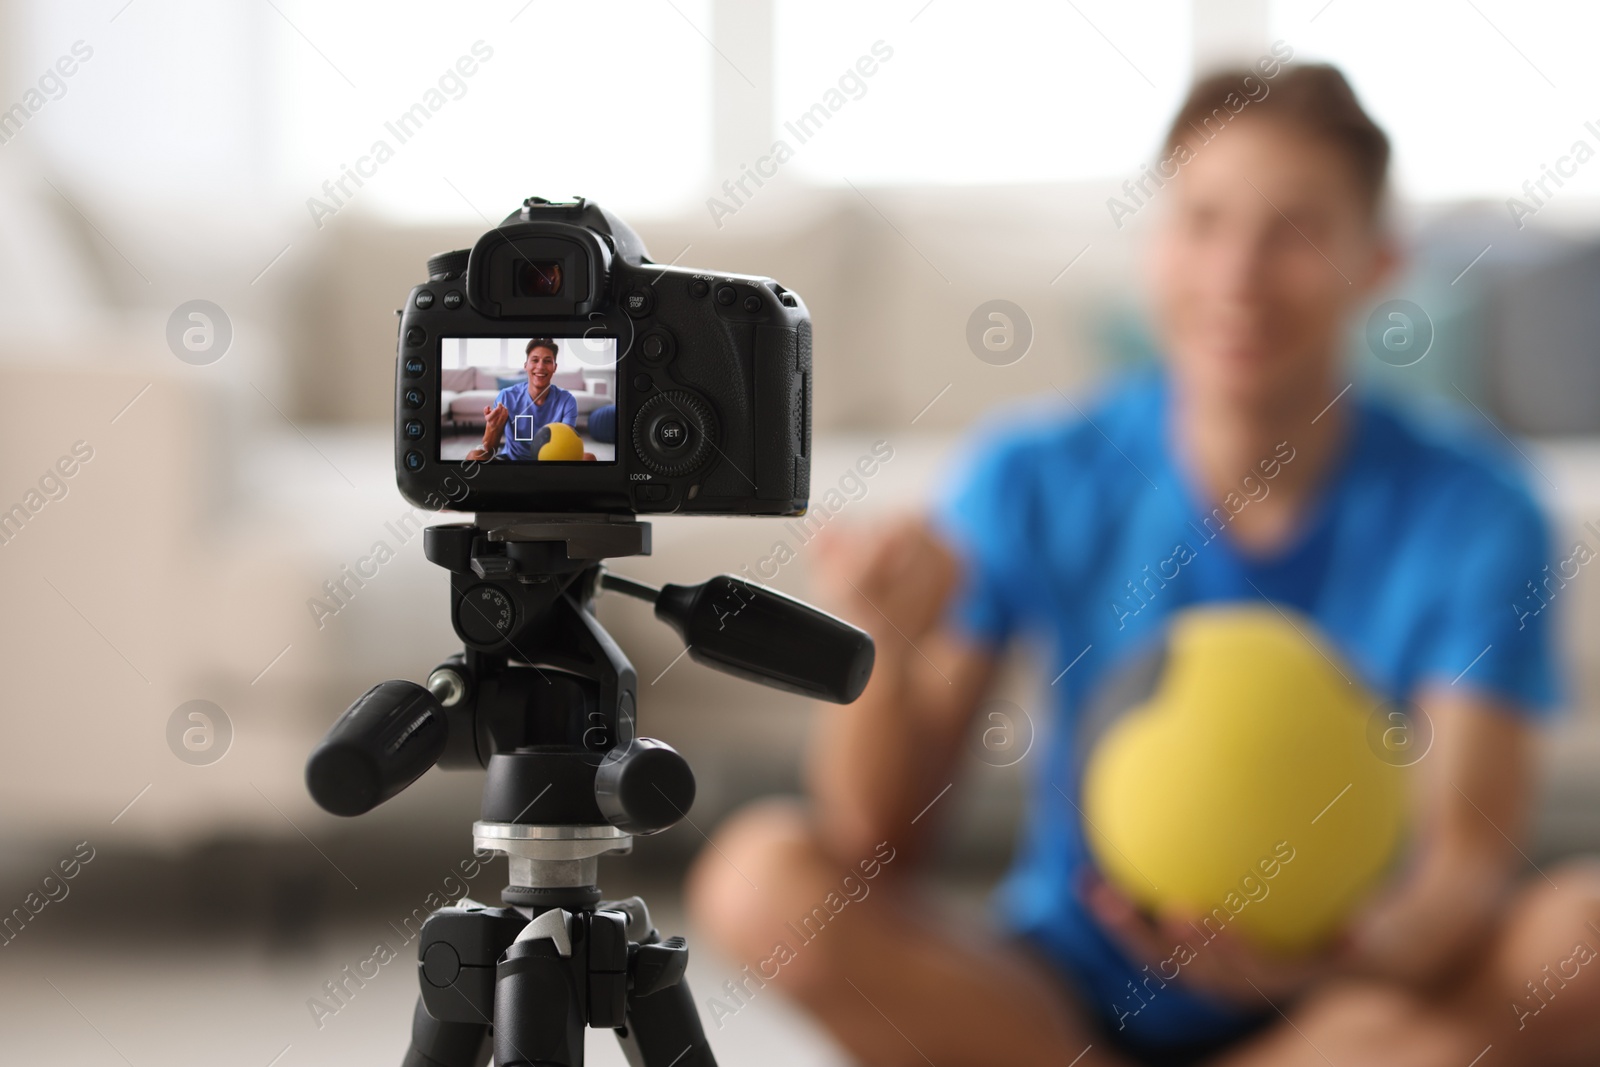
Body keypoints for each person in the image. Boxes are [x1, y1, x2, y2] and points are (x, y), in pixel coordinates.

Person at [687, 63, 1600, 1067]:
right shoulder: (1032, 471)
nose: (1237, 274)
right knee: (757, 872)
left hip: (1343, 999)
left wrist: (1324, 964)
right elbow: (876, 846)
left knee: (1583, 933)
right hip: (1061, 995)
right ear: (1155, 242)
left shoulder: (1476, 506)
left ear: (1376, 262)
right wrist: (894, 652)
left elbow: (1460, 868)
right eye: (1202, 222)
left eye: (1293, 231)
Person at [465, 337, 580, 461]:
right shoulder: (506, 397)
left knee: (588, 458)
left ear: (555, 367)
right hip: (512, 462)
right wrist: (492, 427)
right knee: (474, 456)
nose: (540, 366)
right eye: (535, 360)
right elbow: (490, 450)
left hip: (550, 463)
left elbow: (566, 445)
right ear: (525, 365)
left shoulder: (567, 400)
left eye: (547, 361)